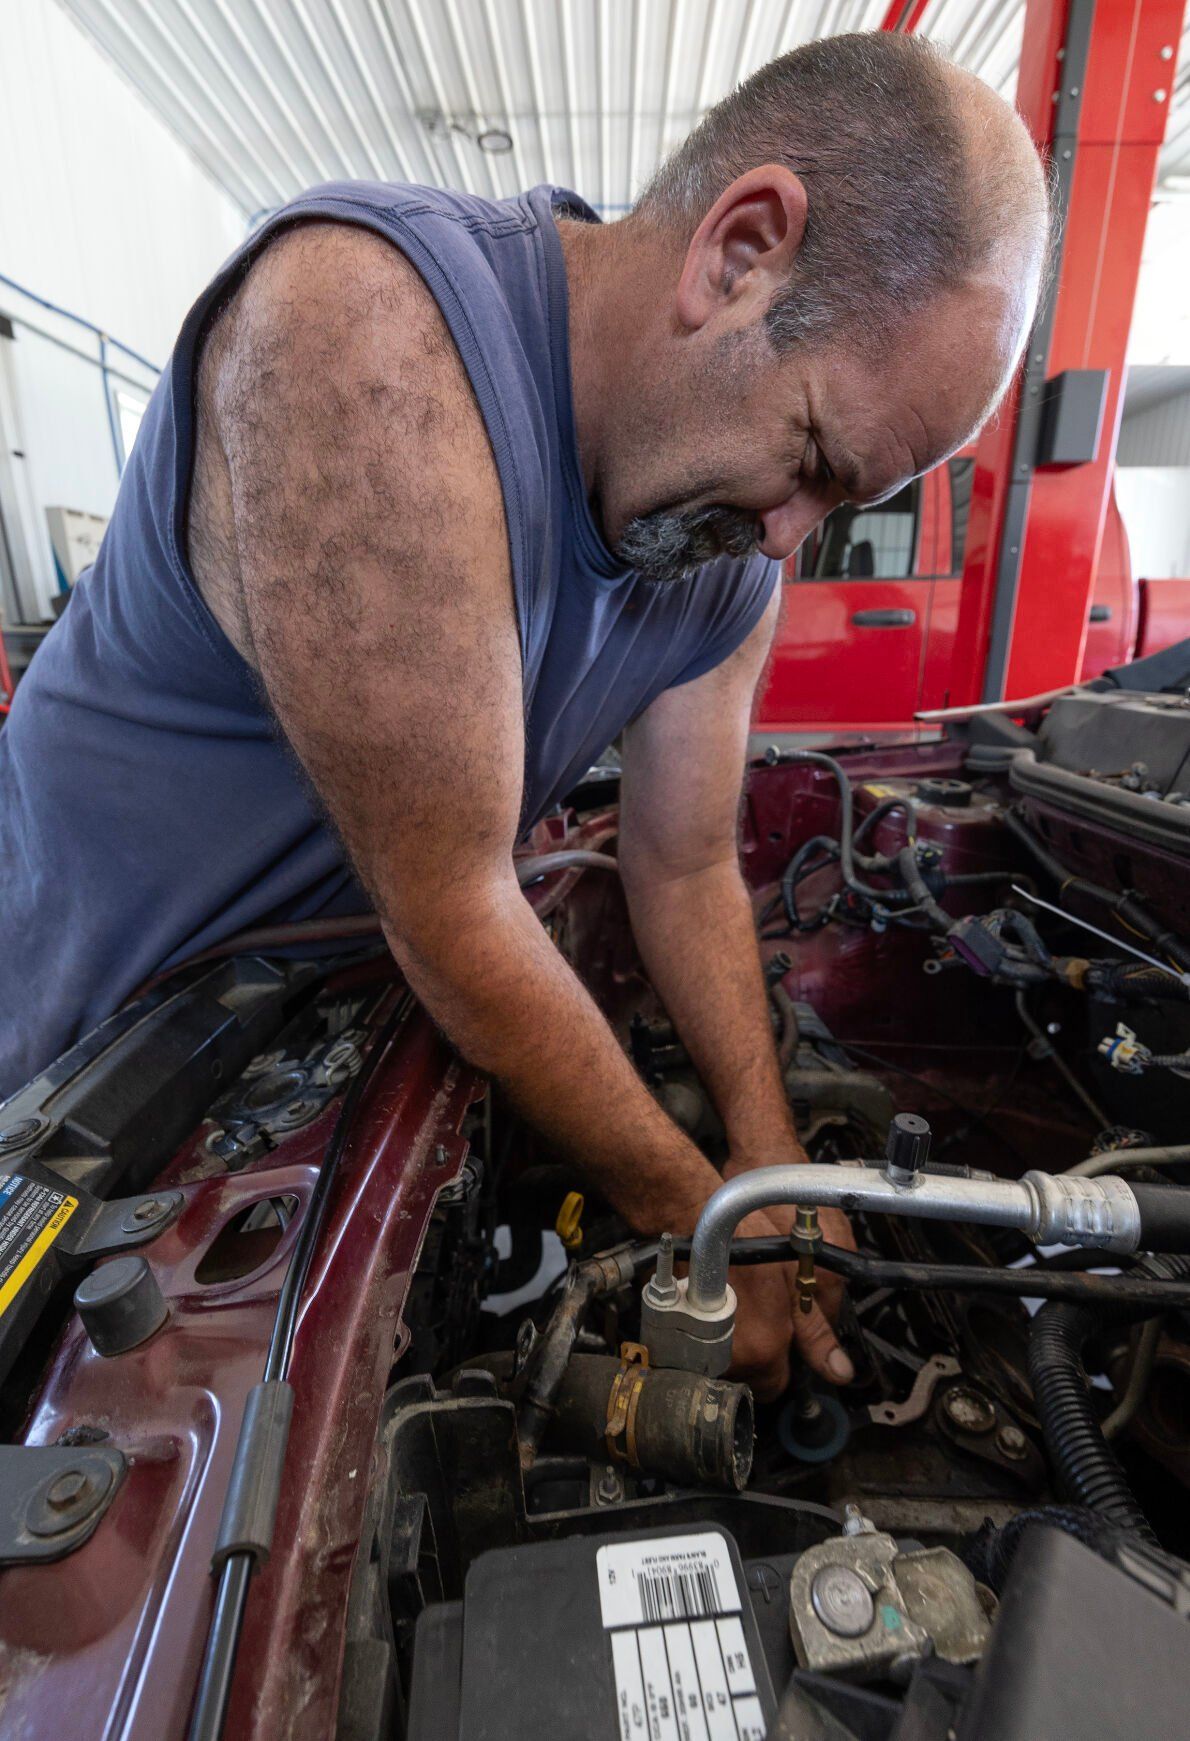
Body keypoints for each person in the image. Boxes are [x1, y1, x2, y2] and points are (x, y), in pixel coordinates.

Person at [0, 33, 1049, 1398]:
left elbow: (677, 864)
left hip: (314, 1061)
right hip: (79, 1074)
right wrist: (704, 1234)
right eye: (809, 457)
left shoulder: (717, 552)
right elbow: (452, 902)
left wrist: (765, 1162)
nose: (789, 541)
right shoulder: (364, 337)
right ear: (739, 254)